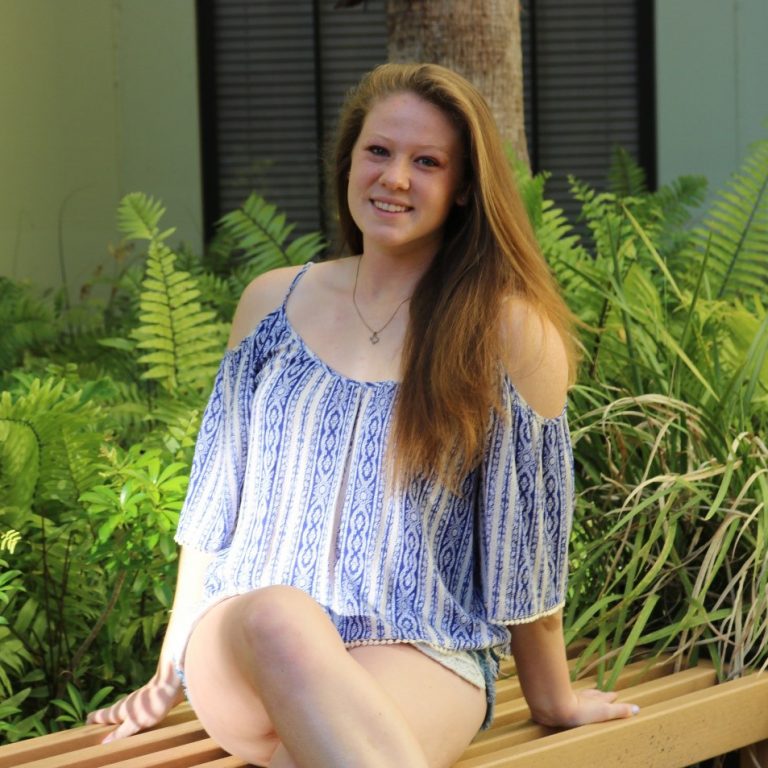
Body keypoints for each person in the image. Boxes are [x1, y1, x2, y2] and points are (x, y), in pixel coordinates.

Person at [87, 62, 638, 768]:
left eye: (427, 161)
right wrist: (169, 671)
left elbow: (522, 547)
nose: (395, 178)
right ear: (348, 160)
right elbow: (213, 506)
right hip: (248, 648)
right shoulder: (270, 306)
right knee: (282, 615)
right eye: (378, 151)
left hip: (420, 648)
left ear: (466, 186)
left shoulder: (507, 334)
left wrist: (553, 698)